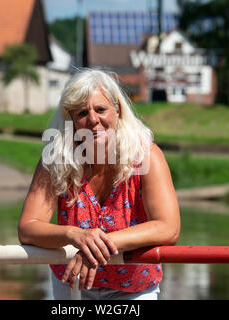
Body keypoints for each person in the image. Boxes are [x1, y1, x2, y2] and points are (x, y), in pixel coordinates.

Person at [18, 69, 180, 300]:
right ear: (71, 121)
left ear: (118, 110)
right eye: (82, 113)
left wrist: (95, 246)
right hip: (73, 284)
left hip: (133, 286)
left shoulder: (146, 155)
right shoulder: (55, 159)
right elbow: (27, 228)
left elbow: (169, 227)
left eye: (101, 109)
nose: (93, 119)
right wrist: (75, 235)